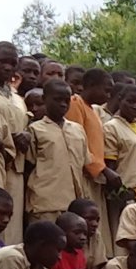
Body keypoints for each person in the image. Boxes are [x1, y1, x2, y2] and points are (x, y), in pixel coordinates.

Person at [24, 79, 91, 224]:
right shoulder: (35, 129)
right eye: (57, 100)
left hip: (74, 204)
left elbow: (84, 166)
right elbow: (29, 165)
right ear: (44, 99)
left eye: (66, 100)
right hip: (45, 204)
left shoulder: (78, 130)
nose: (63, 104)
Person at [0, 43, 30, 244]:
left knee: (10, 223)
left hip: (15, 167)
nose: (8, 67)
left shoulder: (17, 97)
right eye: (2, 61)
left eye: (13, 63)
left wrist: (25, 136)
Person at [102, 84, 136, 201]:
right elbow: (110, 164)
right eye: (130, 102)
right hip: (127, 193)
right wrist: (119, 193)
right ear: (120, 99)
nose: (135, 107)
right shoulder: (111, 127)